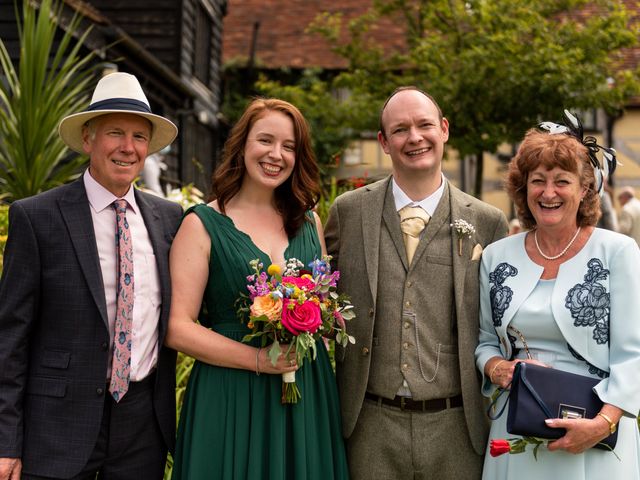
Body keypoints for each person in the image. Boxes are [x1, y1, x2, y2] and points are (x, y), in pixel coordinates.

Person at [0, 72, 182, 480]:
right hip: (55, 427)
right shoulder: (37, 216)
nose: (128, 147)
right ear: (88, 139)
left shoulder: (170, 220)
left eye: (139, 137)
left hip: (142, 425)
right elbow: (9, 337)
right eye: (115, 132)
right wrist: (4, 441)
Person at [324, 86, 509, 479]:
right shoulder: (348, 212)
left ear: (443, 129)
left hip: (457, 426)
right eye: (400, 129)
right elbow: (324, 299)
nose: (415, 137)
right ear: (384, 142)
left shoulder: (488, 222)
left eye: (424, 125)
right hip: (368, 424)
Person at [165, 98, 349, 479]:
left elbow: (325, 307)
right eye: (265, 140)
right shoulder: (202, 225)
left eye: (289, 146)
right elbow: (177, 328)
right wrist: (257, 361)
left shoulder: (310, 222)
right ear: (242, 144)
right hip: (230, 391)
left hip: (305, 391)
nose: (276, 155)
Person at [476, 123, 640, 479]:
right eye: (538, 180)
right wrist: (497, 368)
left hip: (597, 429)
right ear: (524, 188)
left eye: (562, 181)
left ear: (584, 189)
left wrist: (604, 423)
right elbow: (486, 341)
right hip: (516, 425)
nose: (548, 192)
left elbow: (633, 352)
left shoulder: (618, 252)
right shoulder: (496, 256)